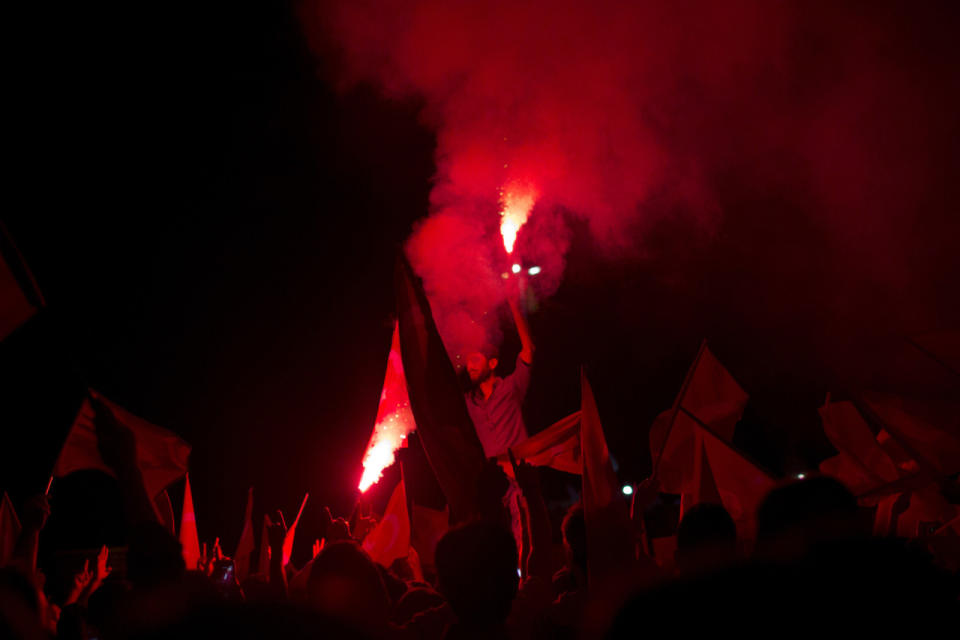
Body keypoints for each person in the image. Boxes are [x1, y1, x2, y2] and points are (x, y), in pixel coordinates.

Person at [463, 281, 535, 459]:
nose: (469, 366)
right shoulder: (469, 402)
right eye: (467, 361)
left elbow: (528, 350)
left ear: (492, 364)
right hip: (497, 481)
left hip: (523, 473)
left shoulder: (511, 387)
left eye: (475, 360)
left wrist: (515, 307)